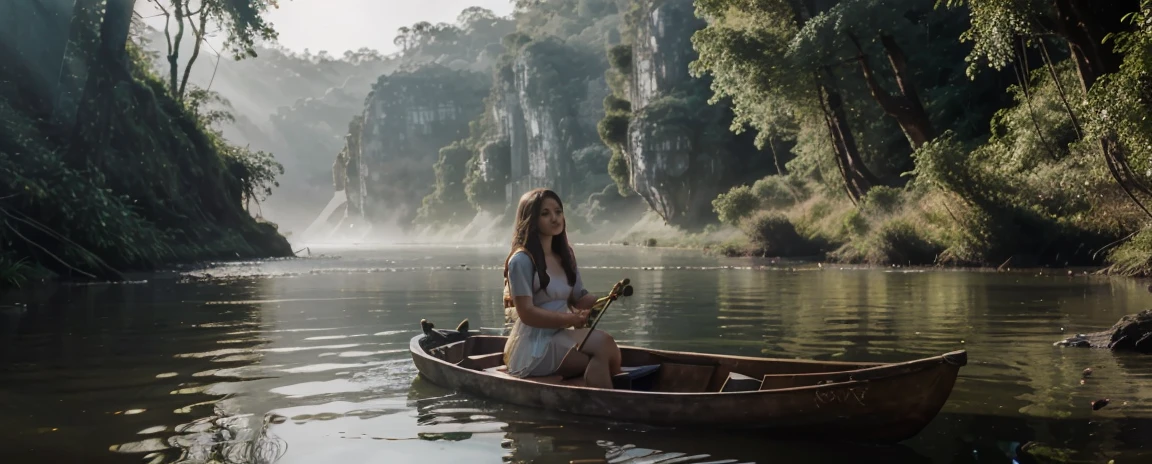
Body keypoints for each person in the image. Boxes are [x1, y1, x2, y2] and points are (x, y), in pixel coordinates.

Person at [501, 188, 623, 388]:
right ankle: (607, 404)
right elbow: (527, 314)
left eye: (558, 211)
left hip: (561, 337)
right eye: (545, 214)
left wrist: (605, 298)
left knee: (605, 354)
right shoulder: (521, 260)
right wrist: (571, 319)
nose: (555, 218)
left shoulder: (566, 255)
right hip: (534, 348)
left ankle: (601, 402)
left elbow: (578, 298)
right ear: (531, 220)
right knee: (603, 344)